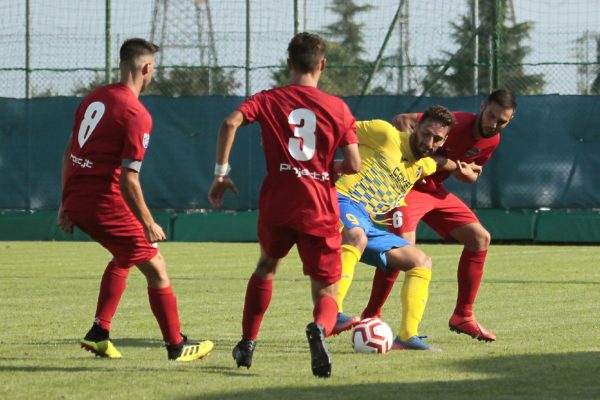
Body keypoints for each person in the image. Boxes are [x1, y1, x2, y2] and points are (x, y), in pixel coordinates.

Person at [208, 32, 361, 378]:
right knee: (325, 289)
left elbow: (230, 122)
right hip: (318, 205)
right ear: (322, 65)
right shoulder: (338, 108)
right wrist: (326, 168)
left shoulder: (269, 99)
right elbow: (353, 164)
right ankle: (319, 328)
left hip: (278, 202)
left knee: (266, 265)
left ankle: (247, 342)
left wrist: (220, 174)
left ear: (289, 63)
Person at [57, 38, 213, 362]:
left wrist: (64, 203)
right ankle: (176, 345)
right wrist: (148, 222)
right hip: (103, 202)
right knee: (156, 265)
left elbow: (69, 152)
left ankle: (100, 332)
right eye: (152, 69)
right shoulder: (135, 113)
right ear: (145, 68)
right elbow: (129, 180)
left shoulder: (93, 98)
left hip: (77, 198)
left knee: (124, 256)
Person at [362, 89, 517, 342]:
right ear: (482, 107)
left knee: (480, 238)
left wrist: (468, 176)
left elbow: (471, 173)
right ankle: (371, 315)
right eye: (491, 116)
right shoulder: (457, 122)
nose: (494, 124)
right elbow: (402, 119)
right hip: (408, 187)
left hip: (434, 192)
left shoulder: (493, 140)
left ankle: (463, 316)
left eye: (502, 122)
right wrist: (411, 157)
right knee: (403, 249)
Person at [334, 105, 480, 350]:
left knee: (421, 261)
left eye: (437, 139)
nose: (429, 142)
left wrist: (463, 168)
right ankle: (332, 312)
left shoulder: (421, 165)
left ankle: (407, 336)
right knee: (356, 236)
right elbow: (341, 130)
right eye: (426, 134)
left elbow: (440, 162)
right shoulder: (385, 133)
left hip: (366, 223)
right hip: (339, 202)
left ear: (444, 140)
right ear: (416, 127)